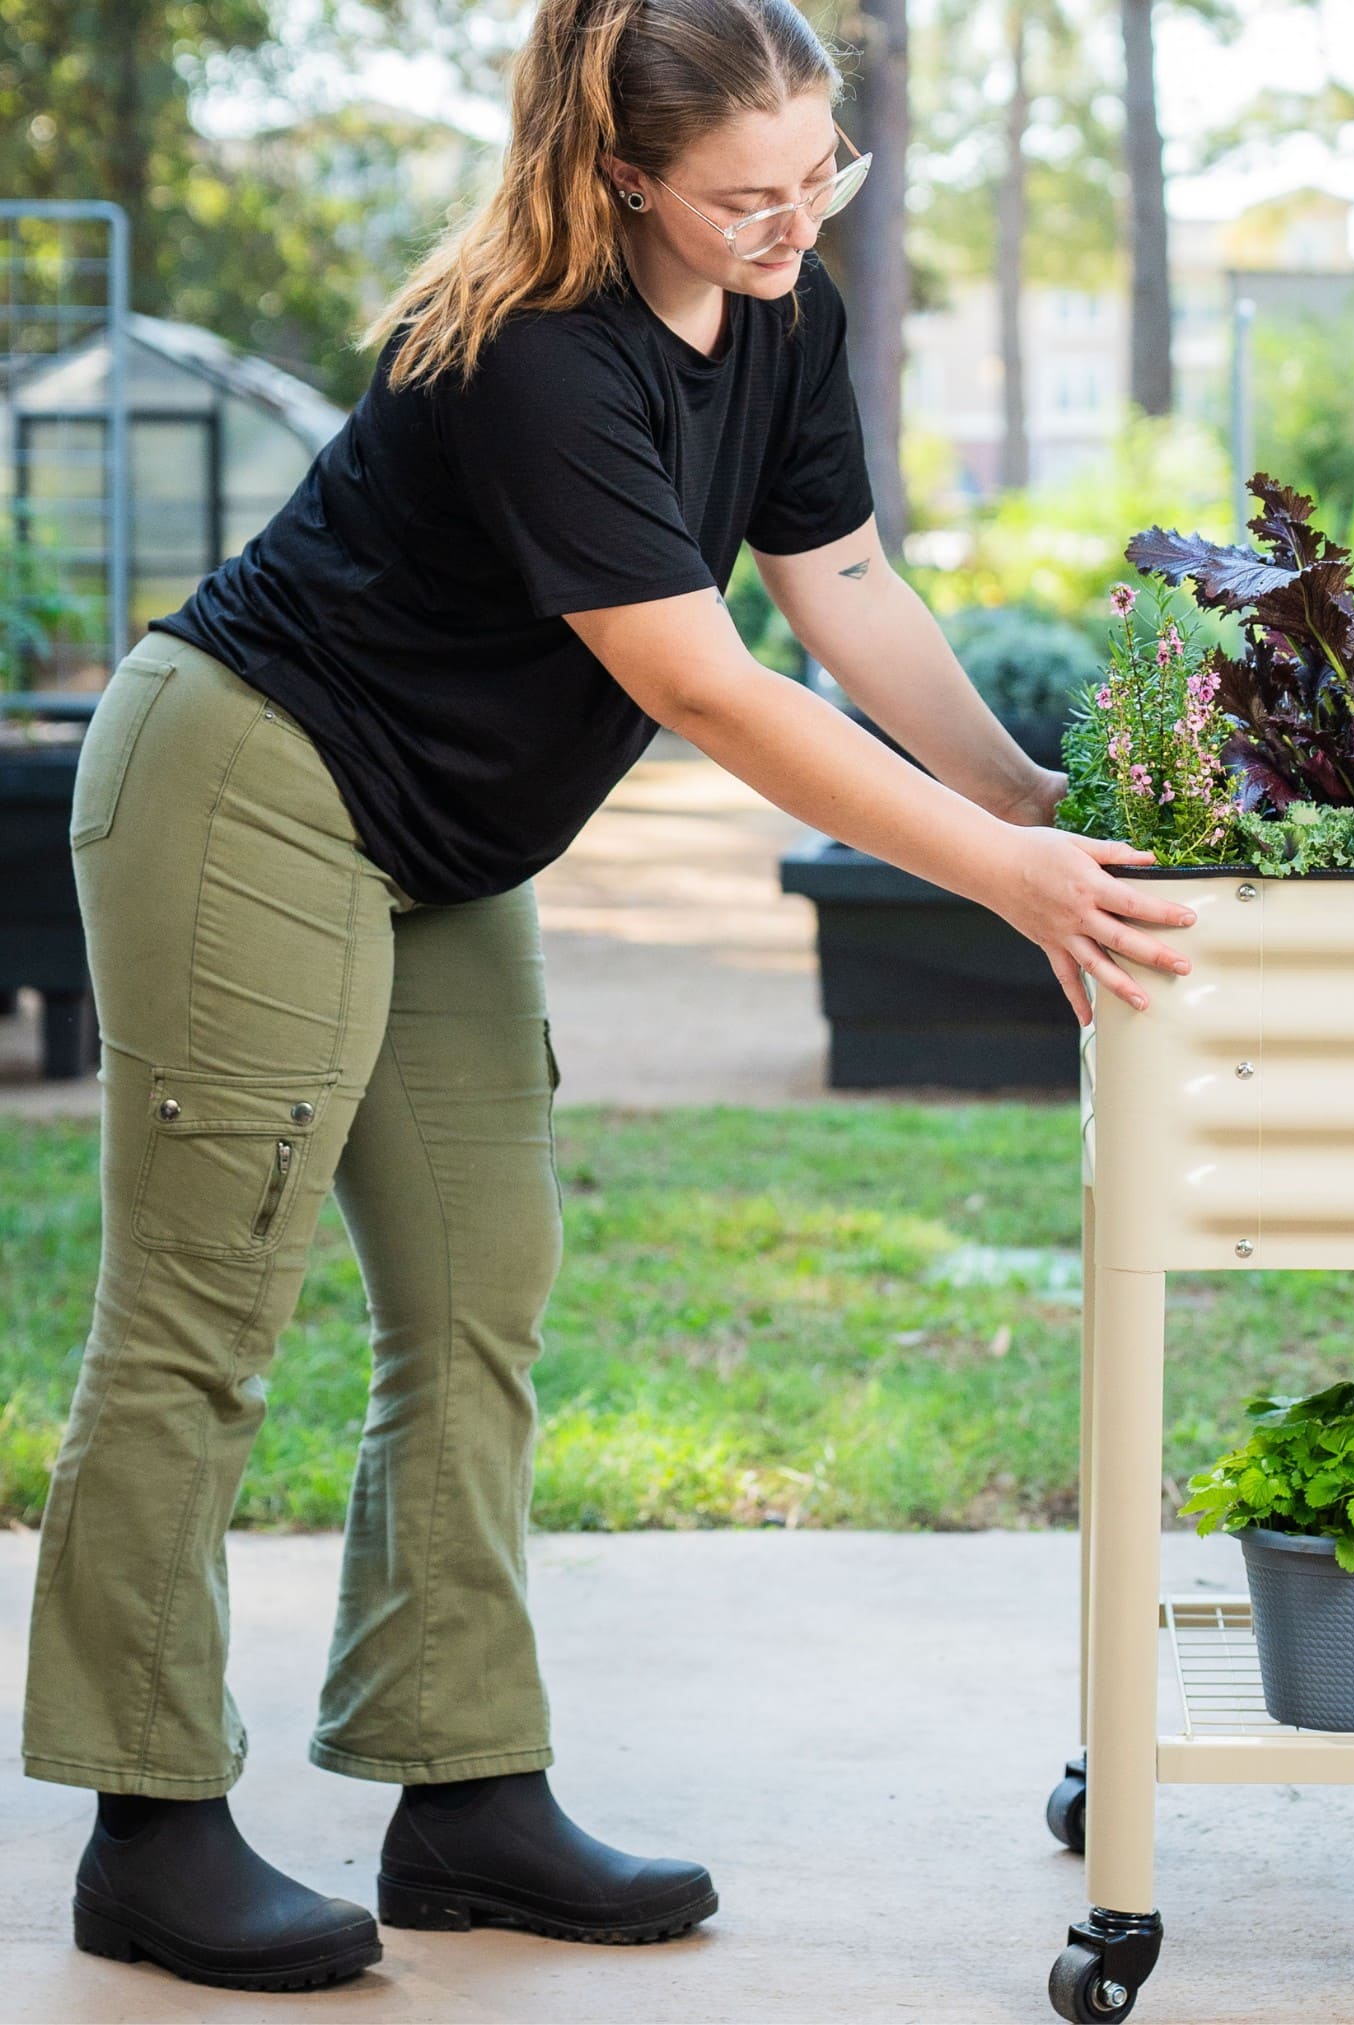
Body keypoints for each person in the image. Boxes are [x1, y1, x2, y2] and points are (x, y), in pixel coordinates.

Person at [21, 0, 1192, 1992]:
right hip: (249, 782)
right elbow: (701, 683)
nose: (789, 219)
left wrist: (1029, 795)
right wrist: (994, 880)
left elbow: (841, 595)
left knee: (481, 1285)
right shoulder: (532, 355)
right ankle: (147, 1824)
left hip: (441, 848)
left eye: (816, 172)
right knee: (203, 1312)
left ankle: (460, 1783)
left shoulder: (789, 314)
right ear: (623, 173)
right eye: (743, 193)